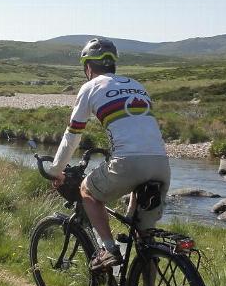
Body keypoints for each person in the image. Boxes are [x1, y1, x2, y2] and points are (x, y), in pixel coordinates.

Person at [42, 37, 171, 270]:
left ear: (88, 67)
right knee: (144, 237)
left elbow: (73, 135)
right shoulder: (137, 85)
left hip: (129, 163)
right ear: (113, 65)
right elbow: (137, 132)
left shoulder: (90, 87)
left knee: (87, 191)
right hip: (161, 164)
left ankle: (107, 250)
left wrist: (56, 170)